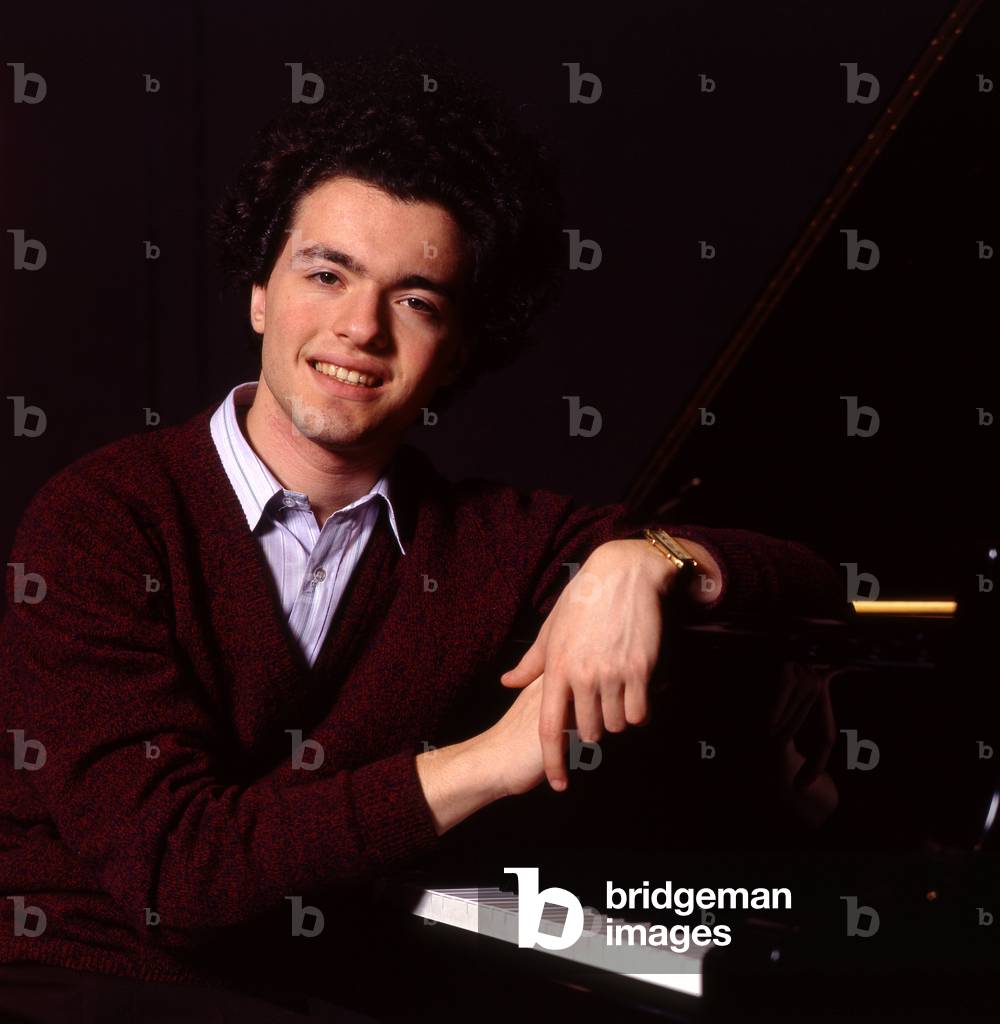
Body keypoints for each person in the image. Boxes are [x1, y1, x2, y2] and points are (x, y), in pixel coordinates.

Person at [0, 46, 845, 1022]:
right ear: (260, 294)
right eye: (326, 274)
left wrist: (641, 560)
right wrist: (498, 756)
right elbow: (176, 874)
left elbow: (813, 581)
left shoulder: (487, 537)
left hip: (340, 975)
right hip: (91, 976)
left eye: (415, 299)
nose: (360, 327)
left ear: (457, 354)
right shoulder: (104, 519)